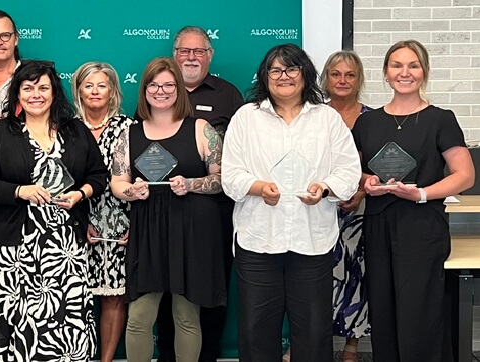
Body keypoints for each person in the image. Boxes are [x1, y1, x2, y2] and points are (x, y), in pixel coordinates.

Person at [221, 43, 361, 362]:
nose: (284, 76)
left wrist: (324, 188)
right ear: (265, 77)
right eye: (275, 70)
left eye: (291, 69)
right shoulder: (246, 118)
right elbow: (230, 175)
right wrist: (258, 187)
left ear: (305, 74)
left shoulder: (327, 118)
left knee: (313, 332)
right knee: (257, 332)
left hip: (311, 242)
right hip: (258, 242)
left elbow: (349, 172)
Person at [0, 60, 107, 361]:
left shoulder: (75, 131)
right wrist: (20, 191)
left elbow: (98, 176)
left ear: (54, 92)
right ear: (17, 94)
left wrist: (79, 194)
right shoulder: (0, 132)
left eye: (43, 87)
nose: (36, 94)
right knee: (13, 324)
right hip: (12, 251)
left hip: (66, 248)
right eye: (28, 87)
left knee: (64, 323)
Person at [352, 40, 475, 362]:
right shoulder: (367, 122)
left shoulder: (440, 119)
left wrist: (421, 193)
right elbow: (355, 172)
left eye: (413, 65)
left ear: (424, 72)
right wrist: (366, 182)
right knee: (384, 308)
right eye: (397, 65)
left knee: (420, 311)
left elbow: (465, 175)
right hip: (378, 223)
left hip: (422, 225)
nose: (404, 73)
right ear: (385, 72)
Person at [110, 57, 226, 362]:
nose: (161, 91)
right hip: (148, 230)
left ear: (179, 88)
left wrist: (191, 184)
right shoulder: (129, 133)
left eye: (168, 85)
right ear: (144, 89)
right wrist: (131, 192)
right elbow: (117, 184)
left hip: (192, 229)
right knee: (139, 316)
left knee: (187, 315)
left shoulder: (201, 129)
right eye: (154, 84)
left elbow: (221, 180)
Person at [156, 25, 244, 362]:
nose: (191, 57)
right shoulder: (158, 92)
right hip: (164, 210)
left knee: (211, 288)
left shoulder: (228, 95)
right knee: (166, 287)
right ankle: (167, 354)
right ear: (174, 55)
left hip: (213, 210)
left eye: (199, 51)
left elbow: (242, 150)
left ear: (210, 55)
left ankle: (208, 355)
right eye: (184, 51)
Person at [282, 50, 372, 362]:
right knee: (313, 282)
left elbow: (380, 168)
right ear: (325, 79)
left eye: (350, 74)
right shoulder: (312, 115)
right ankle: (305, 343)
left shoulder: (373, 119)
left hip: (356, 212)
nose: (343, 80)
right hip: (313, 209)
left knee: (356, 276)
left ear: (359, 79)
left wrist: (359, 193)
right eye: (336, 74)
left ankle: (351, 346)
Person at [71, 61, 135, 362]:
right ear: (79, 91)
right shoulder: (66, 128)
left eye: (102, 85)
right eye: (88, 85)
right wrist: (78, 220)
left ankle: (106, 360)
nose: (95, 91)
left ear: (112, 91)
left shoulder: (130, 128)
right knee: (72, 296)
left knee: (113, 296)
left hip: (118, 222)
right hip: (73, 222)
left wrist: (135, 223)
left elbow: (140, 180)